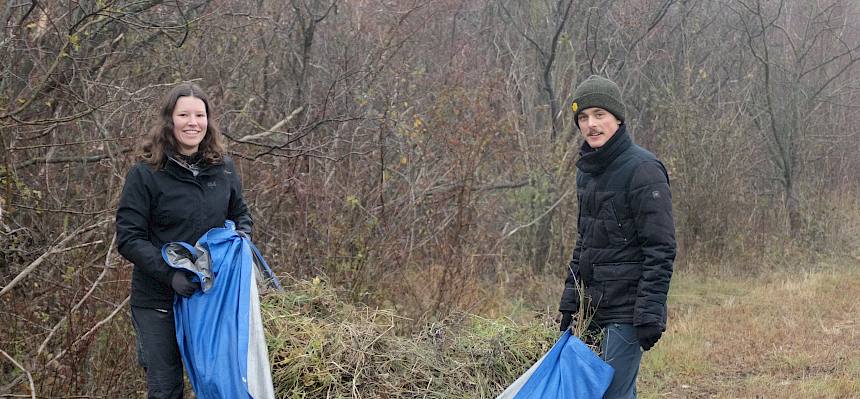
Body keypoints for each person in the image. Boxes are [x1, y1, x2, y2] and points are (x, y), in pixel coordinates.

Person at [116, 82, 252, 398]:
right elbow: (128, 237)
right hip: (158, 299)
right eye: (184, 115)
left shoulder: (224, 169)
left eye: (200, 115)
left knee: (221, 383)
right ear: (170, 120)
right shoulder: (146, 173)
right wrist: (170, 274)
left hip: (211, 299)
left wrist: (239, 244)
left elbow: (240, 216)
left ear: (208, 121)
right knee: (166, 389)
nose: (193, 122)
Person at [558, 75, 676, 398]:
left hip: (627, 311)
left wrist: (650, 312)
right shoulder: (587, 171)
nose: (591, 124)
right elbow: (585, 241)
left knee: (610, 394)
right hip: (592, 310)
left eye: (599, 115)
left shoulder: (644, 170)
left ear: (617, 118)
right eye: (583, 117)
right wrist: (571, 300)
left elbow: (661, 248)